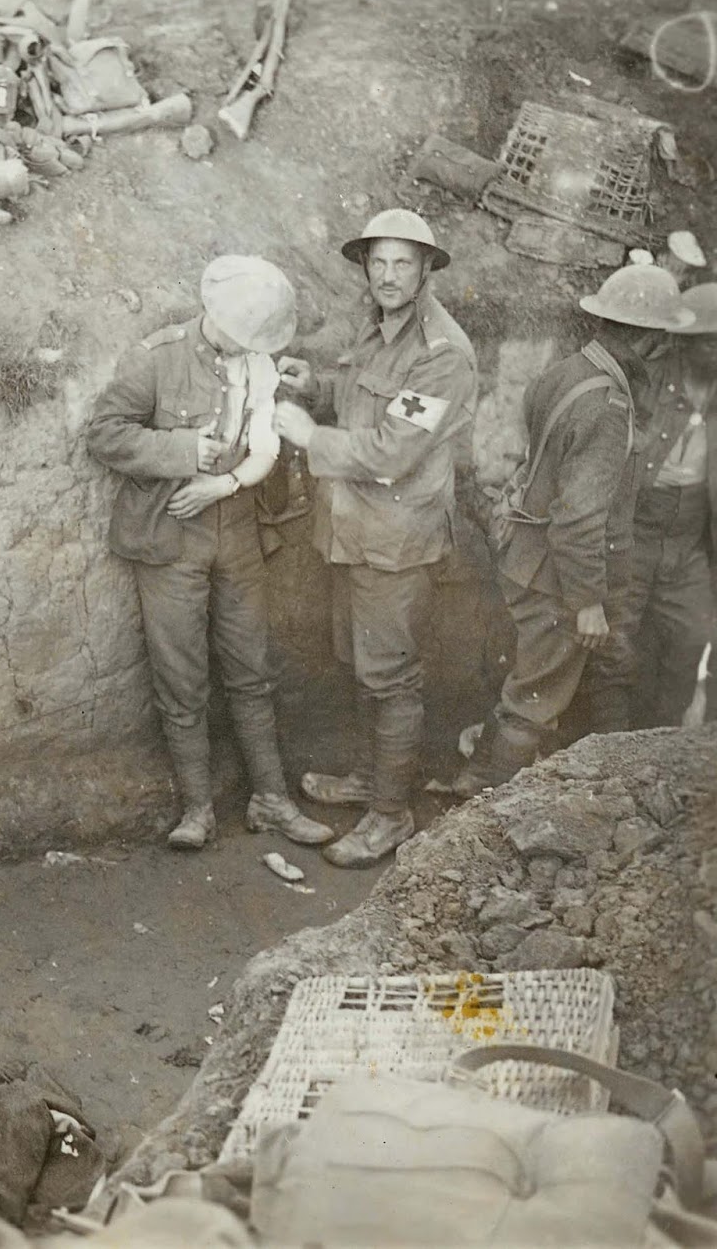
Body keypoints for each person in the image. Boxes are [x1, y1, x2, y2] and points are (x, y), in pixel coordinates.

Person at [86, 256, 334, 853]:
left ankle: (271, 798)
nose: (245, 347)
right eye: (239, 335)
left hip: (238, 529)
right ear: (212, 313)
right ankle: (197, 809)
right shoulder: (156, 358)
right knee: (182, 679)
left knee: (251, 670)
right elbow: (105, 433)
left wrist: (224, 483)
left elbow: (266, 440)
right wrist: (183, 451)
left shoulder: (259, 363)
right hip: (170, 538)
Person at [274, 209, 478, 868]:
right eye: (378, 263)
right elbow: (366, 398)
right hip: (350, 532)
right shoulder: (376, 326)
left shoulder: (442, 355)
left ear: (426, 270)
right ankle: (371, 781)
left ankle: (391, 814)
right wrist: (319, 388)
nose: (388, 276)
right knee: (361, 664)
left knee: (390, 677)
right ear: (366, 267)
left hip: (395, 542)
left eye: (402, 264)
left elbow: (393, 450)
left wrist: (310, 437)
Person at [453, 266, 694, 792]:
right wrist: (588, 601)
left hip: (528, 557)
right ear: (650, 338)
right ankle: (481, 816)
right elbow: (580, 515)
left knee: (535, 680)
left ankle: (480, 778)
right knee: (535, 701)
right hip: (557, 578)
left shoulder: (568, 371)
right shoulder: (607, 406)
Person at [591, 283, 717, 727]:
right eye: (708, 341)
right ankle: (607, 752)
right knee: (616, 642)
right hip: (636, 531)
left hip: (691, 539)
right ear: (682, 340)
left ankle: (659, 745)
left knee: (693, 639)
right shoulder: (649, 379)